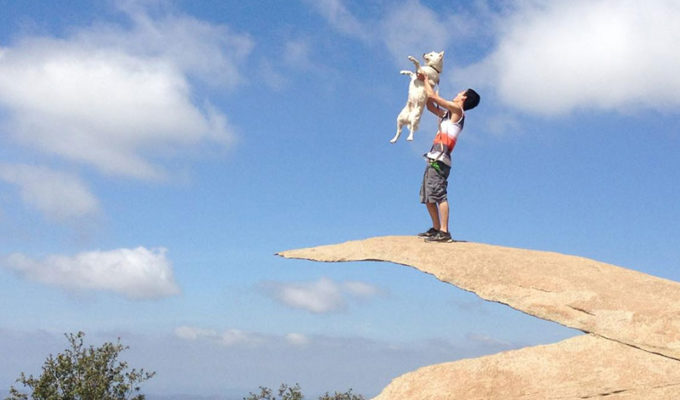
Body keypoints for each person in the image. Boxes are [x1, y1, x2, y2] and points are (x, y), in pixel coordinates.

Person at [417, 74, 480, 242]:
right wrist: (426, 85)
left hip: (440, 160)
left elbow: (433, 97)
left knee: (439, 195)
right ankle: (436, 228)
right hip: (433, 158)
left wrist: (426, 80)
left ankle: (444, 232)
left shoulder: (458, 111)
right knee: (428, 196)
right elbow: (430, 105)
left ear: (464, 98)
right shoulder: (448, 113)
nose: (457, 93)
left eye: (461, 92)